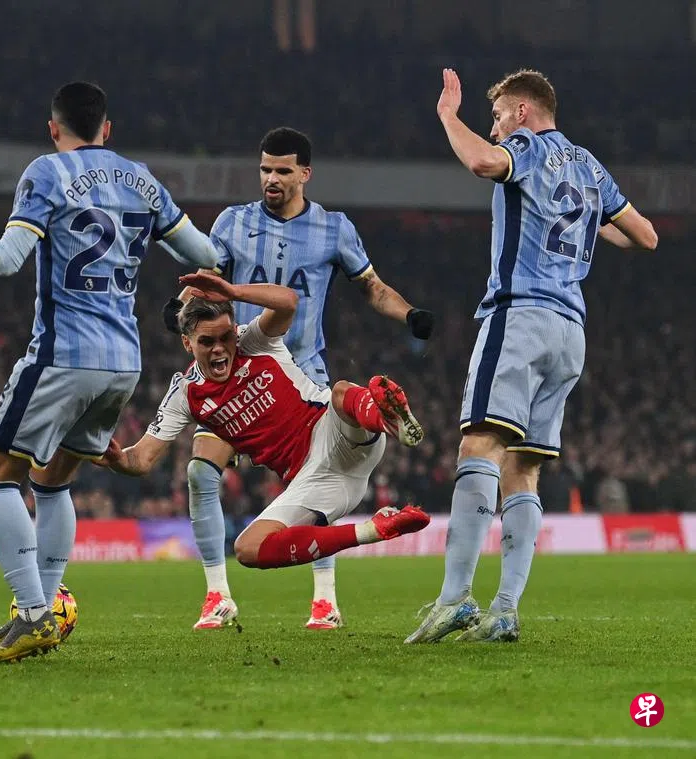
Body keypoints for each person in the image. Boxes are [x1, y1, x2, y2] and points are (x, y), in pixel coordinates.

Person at [0, 82, 219, 662]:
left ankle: (33, 612)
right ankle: (41, 610)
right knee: (54, 479)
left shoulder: (47, 172)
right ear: (108, 128)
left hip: (65, 355)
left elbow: (6, 259)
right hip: (124, 363)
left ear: (53, 128)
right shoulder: (143, 180)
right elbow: (205, 256)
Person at [405, 69, 658, 643]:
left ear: (522, 112)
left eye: (498, 116)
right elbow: (645, 236)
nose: (494, 128)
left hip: (520, 316)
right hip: (571, 333)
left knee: (479, 446)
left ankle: (454, 598)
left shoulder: (526, 147)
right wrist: (595, 225)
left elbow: (482, 163)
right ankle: (505, 611)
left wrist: (448, 116)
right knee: (523, 467)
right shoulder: (590, 166)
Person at [160, 127, 434, 631]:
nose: (272, 178)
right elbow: (207, 283)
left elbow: (372, 287)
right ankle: (217, 594)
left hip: (301, 372)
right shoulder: (233, 222)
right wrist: (178, 308)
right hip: (237, 372)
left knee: (310, 484)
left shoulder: (334, 228)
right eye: (265, 169)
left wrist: (409, 313)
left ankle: (324, 600)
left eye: (283, 170)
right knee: (200, 472)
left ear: (305, 173)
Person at [101, 273, 431, 577]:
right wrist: (112, 456)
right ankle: (374, 529)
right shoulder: (186, 394)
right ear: (188, 343)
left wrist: (232, 292)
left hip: (336, 433)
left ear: (235, 330)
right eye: (207, 342)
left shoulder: (254, 341)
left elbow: (288, 301)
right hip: (312, 481)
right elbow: (140, 459)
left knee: (341, 392)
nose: (220, 349)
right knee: (247, 548)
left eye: (225, 337)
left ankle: (389, 420)